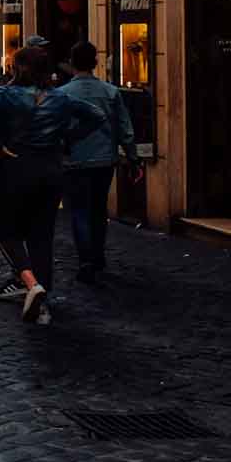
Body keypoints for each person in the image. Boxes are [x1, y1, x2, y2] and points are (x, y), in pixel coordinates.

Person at [0, 46, 105, 326]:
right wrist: (68, 139)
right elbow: (97, 116)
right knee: (41, 236)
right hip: (51, 169)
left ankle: (31, 284)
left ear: (19, 68)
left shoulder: (7, 94)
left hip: (18, 167)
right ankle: (43, 304)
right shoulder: (62, 97)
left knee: (7, 233)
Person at [61, 40, 140, 282]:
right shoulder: (110, 92)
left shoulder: (62, 94)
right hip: (104, 160)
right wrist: (133, 158)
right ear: (95, 63)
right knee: (98, 208)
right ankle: (97, 256)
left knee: (79, 210)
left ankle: (86, 259)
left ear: (72, 64)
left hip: (74, 161)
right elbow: (125, 128)